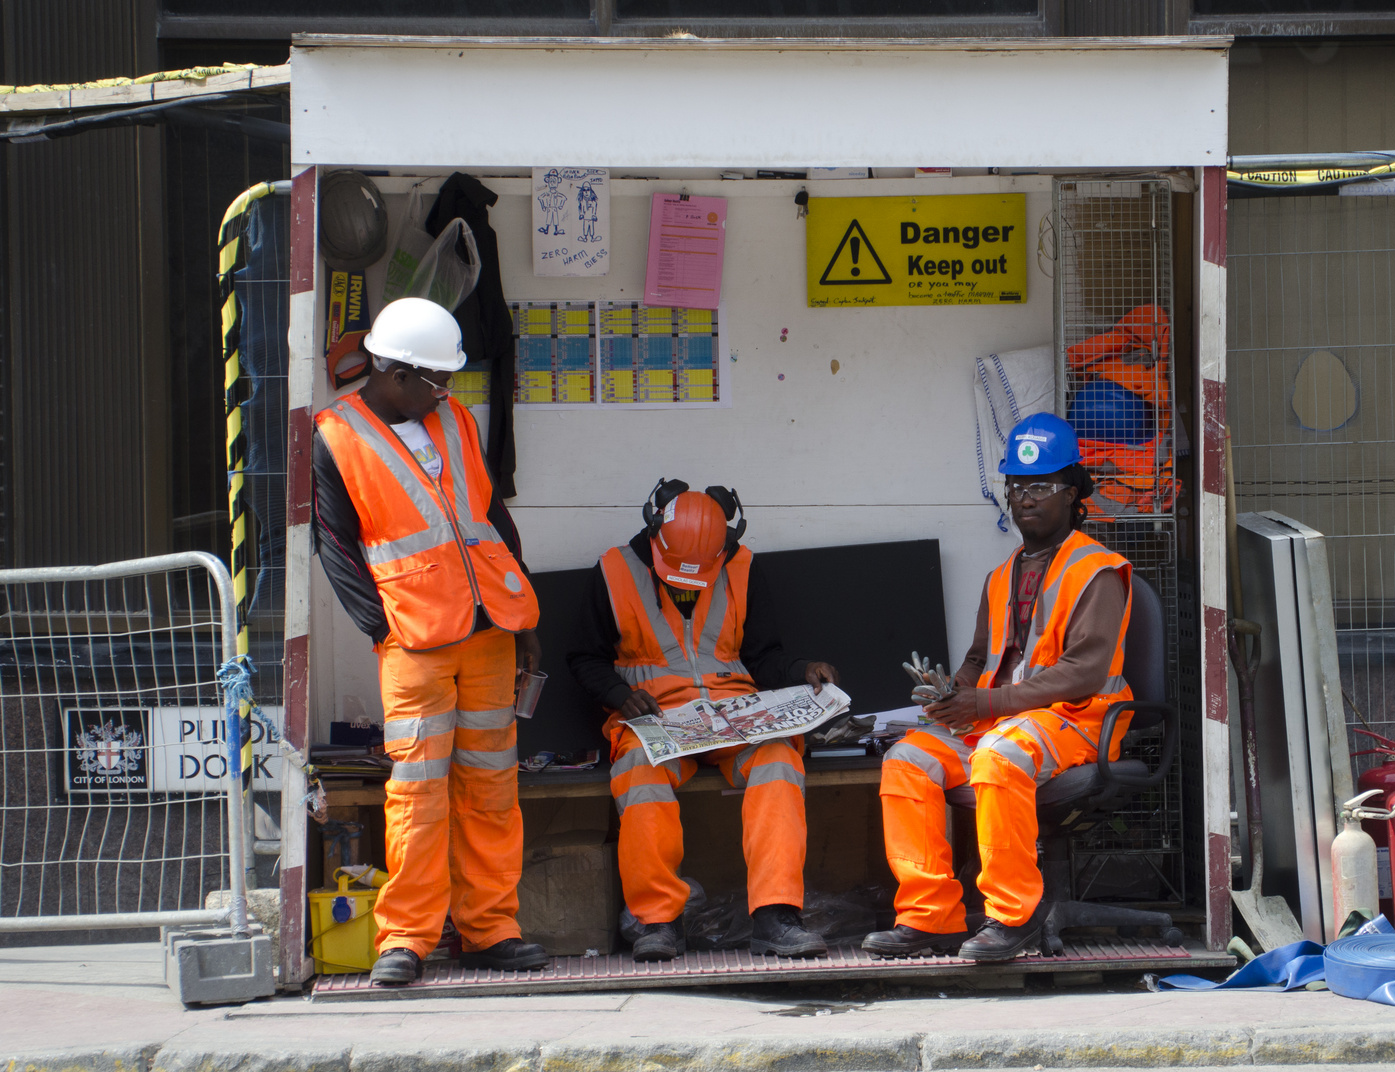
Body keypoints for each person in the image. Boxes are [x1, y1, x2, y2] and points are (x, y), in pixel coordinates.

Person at [313, 297, 549, 986]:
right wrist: (384, 631)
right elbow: (334, 546)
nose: (444, 393)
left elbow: (489, 517)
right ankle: (407, 938)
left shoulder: (455, 421)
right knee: (415, 794)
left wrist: (525, 618)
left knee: (491, 789)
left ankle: (491, 929)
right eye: (433, 381)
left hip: (490, 633)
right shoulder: (335, 436)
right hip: (413, 641)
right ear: (392, 373)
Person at [863, 412, 1135, 963]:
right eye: (1016, 487)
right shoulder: (1002, 575)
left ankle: (1014, 918)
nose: (1025, 499)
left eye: (1039, 486)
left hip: (1077, 721)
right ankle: (929, 917)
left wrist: (984, 701)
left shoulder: (1099, 572)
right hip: (1001, 719)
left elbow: (1084, 671)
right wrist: (951, 693)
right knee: (906, 761)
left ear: (1072, 492)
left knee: (997, 757)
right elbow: (978, 661)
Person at [567, 480, 839, 961]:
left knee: (779, 760)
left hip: (734, 711)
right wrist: (618, 695)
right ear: (655, 536)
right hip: (654, 714)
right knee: (639, 775)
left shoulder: (742, 566)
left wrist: (802, 672)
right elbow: (585, 658)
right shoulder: (614, 570)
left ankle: (776, 917)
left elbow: (762, 655)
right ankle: (658, 921)